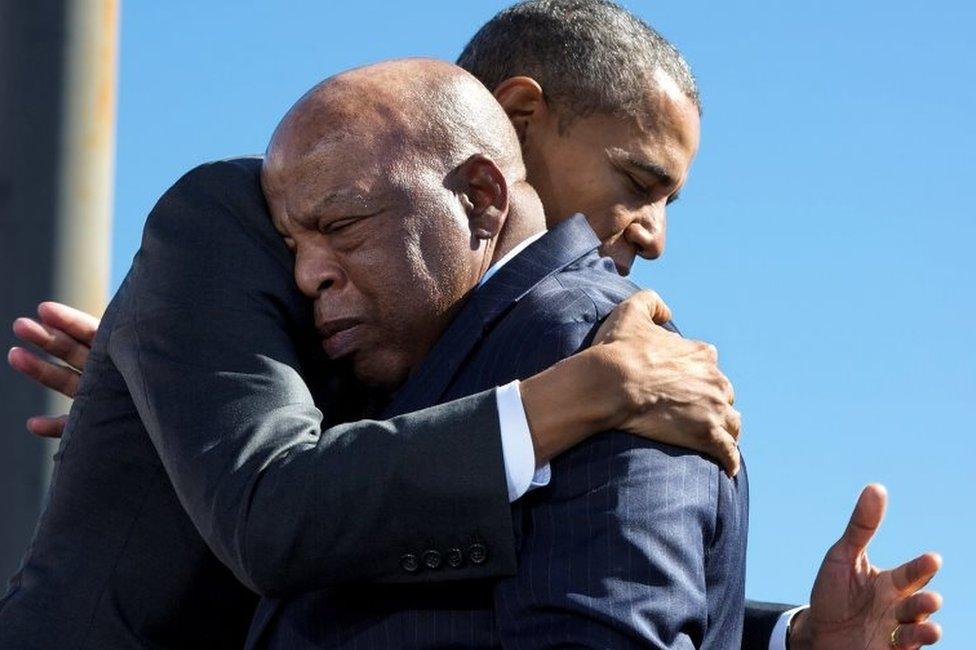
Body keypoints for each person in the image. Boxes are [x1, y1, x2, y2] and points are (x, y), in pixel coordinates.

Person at [5, 1, 943, 648]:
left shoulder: (540, 339)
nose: (654, 236)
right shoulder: (237, 219)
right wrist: (574, 396)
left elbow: (570, 569)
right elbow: (272, 507)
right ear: (512, 127)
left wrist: (787, 635)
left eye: (336, 232)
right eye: (638, 181)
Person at [248, 56, 748, 648]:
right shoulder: (378, 355)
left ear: (481, 197)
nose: (307, 275)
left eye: (343, 224)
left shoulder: (605, 350)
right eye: (292, 242)